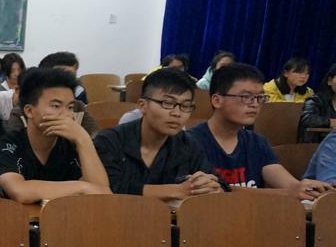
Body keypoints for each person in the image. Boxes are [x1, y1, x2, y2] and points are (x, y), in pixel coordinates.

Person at [190, 63, 331, 198]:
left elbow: (289, 185)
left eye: (259, 97)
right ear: (217, 100)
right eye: (245, 97)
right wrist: (287, 193)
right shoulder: (191, 142)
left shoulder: (257, 142)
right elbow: (212, 191)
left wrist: (304, 188)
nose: (255, 104)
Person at [94, 68, 224, 198]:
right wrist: (176, 190)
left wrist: (212, 186)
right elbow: (109, 189)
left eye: (185, 106)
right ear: (143, 105)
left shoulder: (187, 143)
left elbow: (219, 183)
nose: (177, 113)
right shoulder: (109, 141)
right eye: (167, 103)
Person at [0, 67, 110, 203]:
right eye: (56, 106)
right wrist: (82, 187)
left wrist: (83, 139)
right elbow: (19, 191)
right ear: (29, 111)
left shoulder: (75, 144)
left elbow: (103, 196)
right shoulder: (8, 144)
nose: (67, 115)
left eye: (70, 107)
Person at [299, 63, 336, 142]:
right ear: (329, 81)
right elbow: (307, 119)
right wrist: (330, 122)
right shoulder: (315, 100)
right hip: (318, 145)